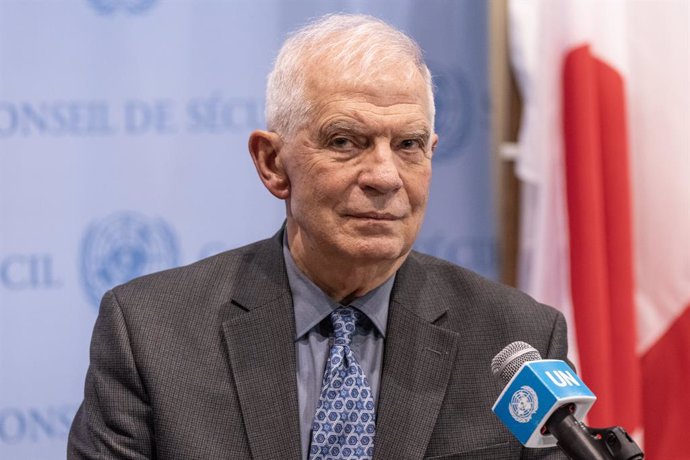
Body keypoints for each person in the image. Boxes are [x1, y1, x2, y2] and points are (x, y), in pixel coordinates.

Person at [68, 14, 569, 460]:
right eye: (345, 141)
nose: (385, 176)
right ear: (272, 163)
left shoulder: (517, 338)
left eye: (408, 145)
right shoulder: (152, 332)